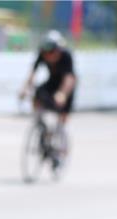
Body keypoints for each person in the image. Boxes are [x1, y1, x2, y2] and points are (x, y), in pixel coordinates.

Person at [18, 30, 76, 160]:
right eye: (46, 53)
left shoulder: (66, 56)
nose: (48, 56)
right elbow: (32, 73)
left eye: (51, 52)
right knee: (38, 94)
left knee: (62, 118)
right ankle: (41, 127)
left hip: (66, 86)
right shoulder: (43, 54)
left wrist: (62, 94)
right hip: (52, 82)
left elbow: (69, 78)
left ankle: (61, 147)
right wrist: (24, 89)